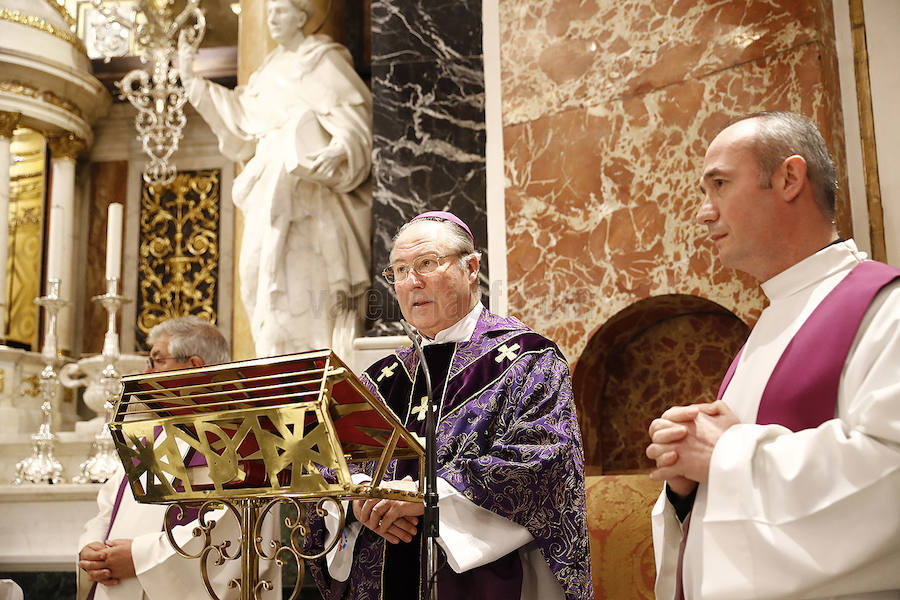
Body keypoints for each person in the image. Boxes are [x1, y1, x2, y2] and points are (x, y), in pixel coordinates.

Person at [645, 111, 900, 599]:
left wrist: (725, 454)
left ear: (788, 178)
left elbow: (889, 477)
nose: (703, 212)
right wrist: (686, 487)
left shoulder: (884, 307)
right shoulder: (769, 327)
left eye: (719, 183)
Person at [304, 212, 593, 599]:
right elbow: (326, 461)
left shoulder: (528, 360)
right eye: (400, 270)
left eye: (427, 263)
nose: (413, 282)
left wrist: (429, 498)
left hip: (483, 581)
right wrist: (358, 500)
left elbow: (544, 458)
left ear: (471, 267)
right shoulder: (380, 379)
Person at [178, 0, 372, 358]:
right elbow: (240, 121)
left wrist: (340, 147)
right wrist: (193, 82)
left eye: (280, 10)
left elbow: (356, 118)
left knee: (304, 288)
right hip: (265, 187)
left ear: (302, 16)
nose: (272, 18)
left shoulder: (323, 60)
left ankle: (319, 372)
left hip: (309, 195)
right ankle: (275, 369)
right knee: (257, 280)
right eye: (268, 12)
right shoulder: (266, 73)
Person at [77, 316, 279, 600]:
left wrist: (139, 558)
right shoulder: (152, 435)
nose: (145, 372)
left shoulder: (240, 441)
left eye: (157, 361)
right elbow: (111, 505)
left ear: (195, 366)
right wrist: (92, 548)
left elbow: (234, 533)